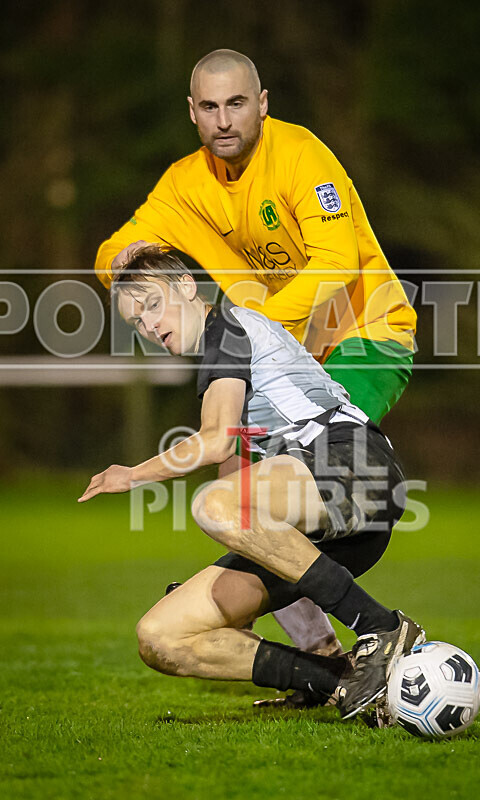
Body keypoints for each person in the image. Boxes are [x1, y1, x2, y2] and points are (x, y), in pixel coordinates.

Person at [93, 48, 417, 700]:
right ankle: (323, 660)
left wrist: (255, 324)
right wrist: (120, 263)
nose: (223, 119)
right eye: (209, 107)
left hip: (361, 335)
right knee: (236, 482)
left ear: (262, 103)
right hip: (272, 351)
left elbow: (334, 263)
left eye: (235, 103)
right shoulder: (186, 183)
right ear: (192, 113)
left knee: (261, 480)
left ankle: (373, 629)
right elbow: (115, 252)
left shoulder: (301, 156)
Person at [79, 246, 425, 720]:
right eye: (135, 322)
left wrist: (132, 474)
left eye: (152, 305)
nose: (148, 326)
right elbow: (238, 474)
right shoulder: (221, 359)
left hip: (358, 467)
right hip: (324, 519)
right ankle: (335, 680)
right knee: (162, 636)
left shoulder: (230, 327)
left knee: (214, 505)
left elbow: (216, 442)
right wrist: (229, 587)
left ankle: (383, 628)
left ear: (186, 287)